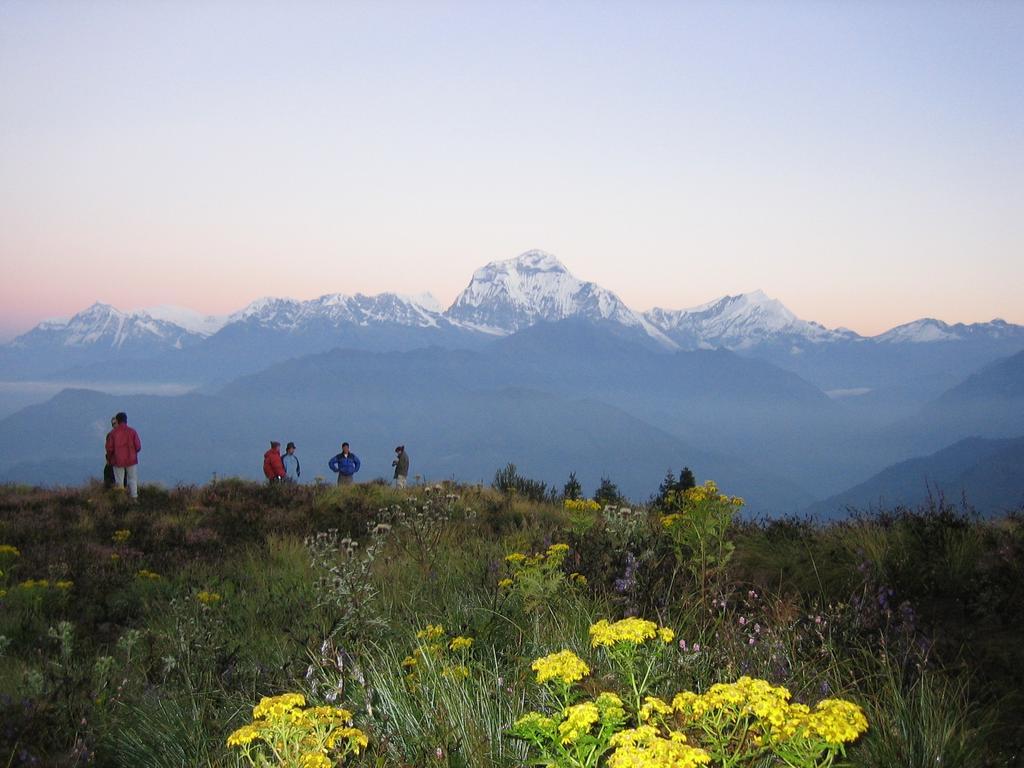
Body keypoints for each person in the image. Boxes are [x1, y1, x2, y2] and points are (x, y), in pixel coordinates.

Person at [105, 412, 142, 499]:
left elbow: (109, 449)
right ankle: (134, 498)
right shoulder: (132, 431)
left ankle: (121, 499)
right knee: (132, 479)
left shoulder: (113, 433)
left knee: (119, 481)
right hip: (131, 459)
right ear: (126, 420)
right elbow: (138, 447)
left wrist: (109, 459)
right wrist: (133, 453)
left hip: (117, 460)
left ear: (117, 421)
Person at [103, 415, 118, 489]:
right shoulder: (110, 435)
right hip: (114, 460)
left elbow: (109, 449)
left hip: (115, 461)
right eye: (112, 424)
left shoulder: (111, 435)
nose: (113, 426)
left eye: (115, 423)